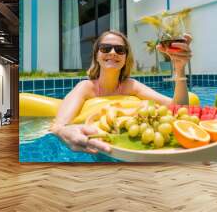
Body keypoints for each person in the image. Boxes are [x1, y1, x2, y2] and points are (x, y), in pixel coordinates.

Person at [51, 30, 192, 154]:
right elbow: (58, 126)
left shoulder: (131, 86)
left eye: (120, 50)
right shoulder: (85, 87)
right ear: (96, 56)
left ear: (125, 58)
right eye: (105, 48)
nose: (112, 52)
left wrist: (179, 68)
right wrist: (64, 132)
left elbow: (178, 108)